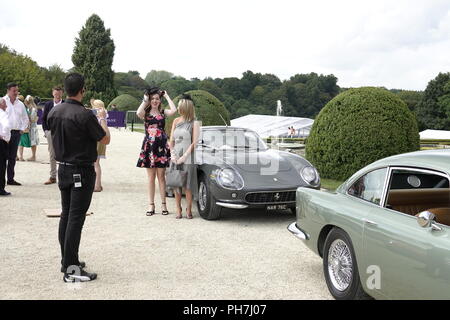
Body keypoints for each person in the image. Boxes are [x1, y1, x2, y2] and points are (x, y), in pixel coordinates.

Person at [48, 73, 111, 283]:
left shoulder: (55, 111)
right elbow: (105, 139)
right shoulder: (84, 115)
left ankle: (67, 261)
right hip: (80, 170)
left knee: (67, 215)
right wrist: (102, 118)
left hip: (63, 169)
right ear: (82, 90)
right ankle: (71, 270)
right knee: (75, 219)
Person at [136, 87, 177, 216]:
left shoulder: (163, 112)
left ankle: (164, 204)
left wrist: (167, 96)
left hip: (161, 146)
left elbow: (174, 110)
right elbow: (138, 112)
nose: (155, 101)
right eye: (152, 98)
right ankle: (151, 205)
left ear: (160, 100)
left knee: (161, 177)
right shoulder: (145, 113)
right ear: (149, 99)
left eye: (157, 99)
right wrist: (145, 99)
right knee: (151, 178)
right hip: (149, 147)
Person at [169, 94, 200, 219]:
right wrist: (172, 154)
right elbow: (171, 140)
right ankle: (178, 208)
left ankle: (188, 208)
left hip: (188, 156)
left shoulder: (195, 122)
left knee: (187, 185)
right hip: (176, 155)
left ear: (185, 107)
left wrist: (184, 156)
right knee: (176, 183)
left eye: (179, 106)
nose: (177, 108)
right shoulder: (176, 121)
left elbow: (195, 142)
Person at [4, 83, 29, 186]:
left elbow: (25, 118)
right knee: (2, 157)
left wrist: (22, 129)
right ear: (8, 91)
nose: (16, 93)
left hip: (16, 133)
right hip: (4, 134)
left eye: (17, 91)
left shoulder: (20, 104)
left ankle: (10, 179)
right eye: (14, 91)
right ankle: (1, 180)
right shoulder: (2, 101)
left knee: (12, 157)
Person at [42, 86, 64, 185]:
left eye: (59, 94)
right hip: (50, 132)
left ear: (62, 94)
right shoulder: (48, 104)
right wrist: (46, 131)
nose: (57, 96)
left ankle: (64, 176)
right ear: (52, 94)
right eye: (55, 94)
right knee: (52, 154)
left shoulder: (66, 104)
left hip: (63, 132)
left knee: (65, 153)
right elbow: (43, 118)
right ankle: (53, 176)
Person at [90, 99, 108, 192]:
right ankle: (98, 184)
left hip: (96, 139)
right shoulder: (104, 114)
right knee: (96, 163)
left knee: (95, 164)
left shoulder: (97, 115)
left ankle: (96, 185)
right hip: (101, 140)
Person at [18, 95, 40, 161]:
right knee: (31, 142)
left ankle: (32, 156)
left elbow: (32, 119)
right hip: (30, 127)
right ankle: (31, 156)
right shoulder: (31, 108)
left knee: (30, 142)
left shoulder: (31, 109)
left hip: (31, 127)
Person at [0, 98, 12, 196]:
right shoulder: (3, 114)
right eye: (4, 104)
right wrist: (5, 136)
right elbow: (7, 126)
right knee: (2, 165)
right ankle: (1, 188)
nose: (6, 106)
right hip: (2, 142)